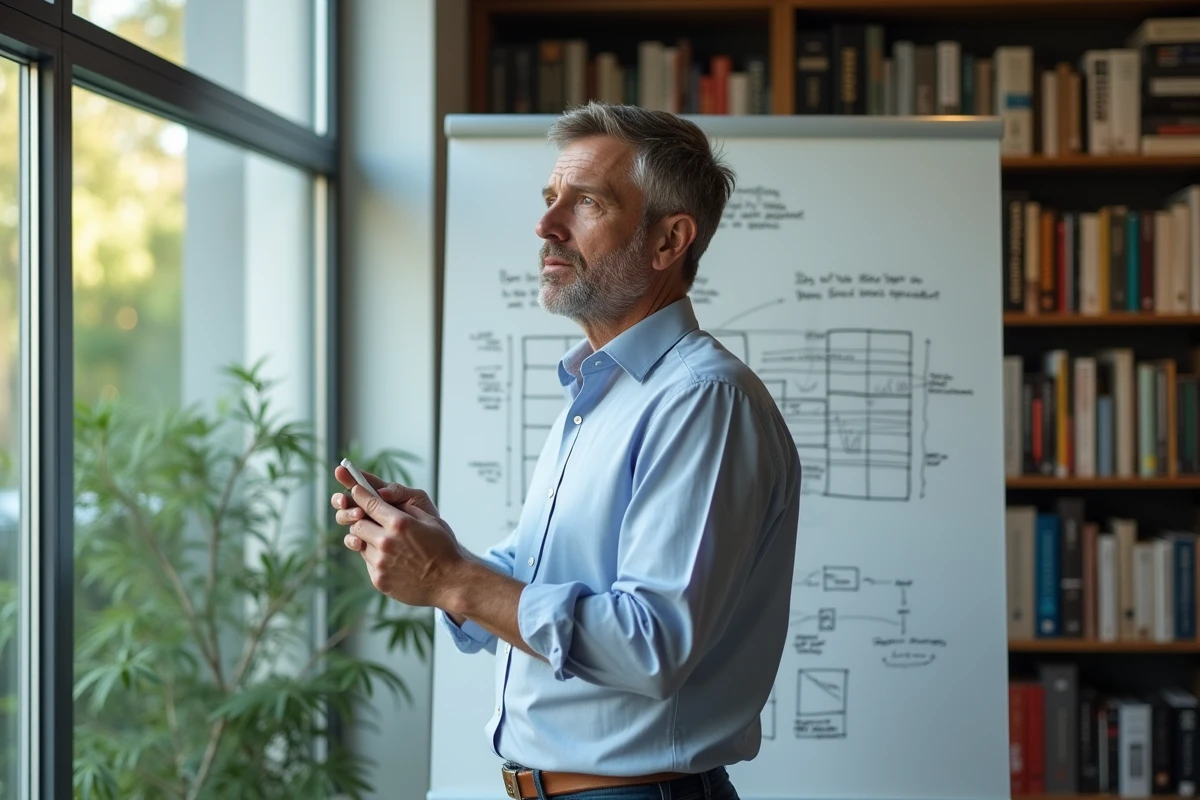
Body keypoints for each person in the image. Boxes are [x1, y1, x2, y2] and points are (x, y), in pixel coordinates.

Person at [331, 102, 802, 800]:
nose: (546, 226)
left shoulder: (703, 400)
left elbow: (650, 642)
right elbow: (543, 578)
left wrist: (455, 578)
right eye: (551, 198)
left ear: (669, 240)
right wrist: (440, 557)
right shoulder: (601, 389)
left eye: (585, 202)